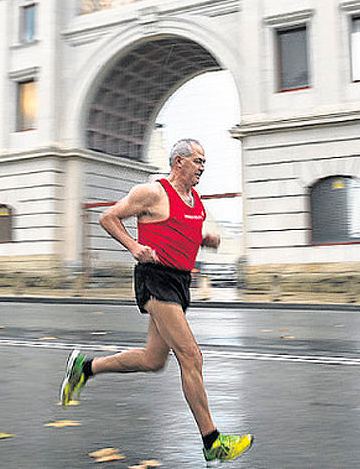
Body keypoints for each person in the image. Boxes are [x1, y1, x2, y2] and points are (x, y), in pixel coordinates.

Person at [59, 139, 253, 465]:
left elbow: (179, 232)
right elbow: (108, 218)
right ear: (178, 162)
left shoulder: (195, 201)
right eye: (197, 161)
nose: (202, 167)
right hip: (155, 279)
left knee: (153, 360)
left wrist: (204, 239)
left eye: (204, 162)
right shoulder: (152, 192)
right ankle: (213, 442)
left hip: (179, 284)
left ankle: (85, 368)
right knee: (191, 356)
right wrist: (135, 247)